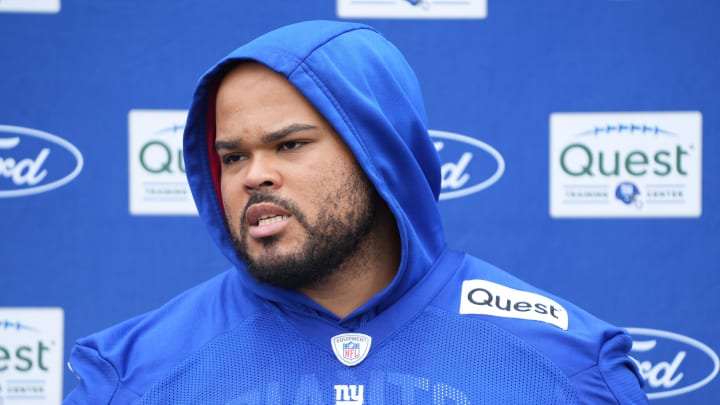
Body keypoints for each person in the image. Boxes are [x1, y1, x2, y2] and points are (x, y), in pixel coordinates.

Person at [64, 20, 647, 404]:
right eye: (233, 156)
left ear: (381, 154)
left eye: (289, 144)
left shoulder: (568, 365)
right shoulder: (131, 376)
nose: (253, 175)